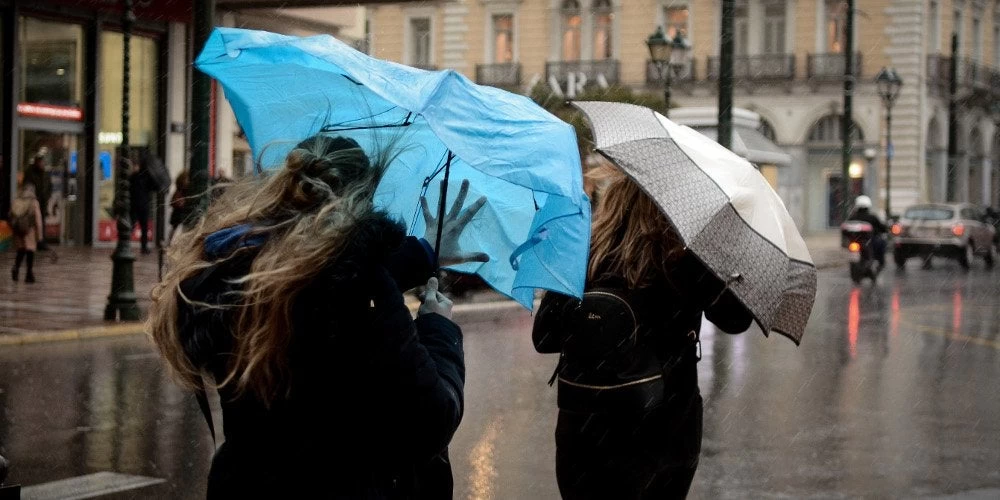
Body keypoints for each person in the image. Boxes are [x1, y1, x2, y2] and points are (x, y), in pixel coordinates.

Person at [148, 135, 486, 498]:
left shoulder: (238, 267)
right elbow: (432, 420)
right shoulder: (350, 291)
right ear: (362, 198)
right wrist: (438, 328)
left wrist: (424, 252)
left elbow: (321, 275)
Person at [532, 167, 753, 499]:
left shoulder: (583, 253)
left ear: (614, 200)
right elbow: (736, 320)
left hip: (584, 435)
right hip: (664, 433)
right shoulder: (683, 258)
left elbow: (544, 338)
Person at [9, 183, 44, 283]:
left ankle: (16, 268)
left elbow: (10, 215)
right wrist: (39, 237)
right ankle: (29, 274)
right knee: (30, 251)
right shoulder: (34, 202)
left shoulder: (17, 200)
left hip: (18, 230)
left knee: (20, 250)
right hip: (29, 230)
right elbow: (38, 221)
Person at [846, 195, 888, 268]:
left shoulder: (852, 218)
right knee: (882, 243)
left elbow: (846, 229)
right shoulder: (872, 217)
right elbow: (882, 228)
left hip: (856, 241)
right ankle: (880, 262)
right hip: (869, 241)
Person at [22, 155, 51, 250]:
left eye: (43, 162)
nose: (42, 164)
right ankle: (33, 242)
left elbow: (49, 186)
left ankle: (41, 241)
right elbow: (27, 186)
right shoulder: (30, 173)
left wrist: (47, 196)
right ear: (36, 162)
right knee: (32, 222)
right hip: (33, 202)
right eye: (40, 162)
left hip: (43, 202)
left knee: (41, 222)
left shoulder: (45, 173)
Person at [128, 155, 154, 254]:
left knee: (141, 227)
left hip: (139, 205)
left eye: (135, 165)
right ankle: (141, 247)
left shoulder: (141, 177)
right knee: (137, 226)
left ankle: (143, 247)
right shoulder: (135, 177)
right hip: (139, 205)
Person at [167, 169, 191, 244]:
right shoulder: (180, 190)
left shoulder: (185, 190)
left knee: (181, 228)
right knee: (175, 228)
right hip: (178, 212)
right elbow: (172, 201)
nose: (187, 181)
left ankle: (171, 243)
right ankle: (169, 243)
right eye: (186, 179)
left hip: (182, 212)